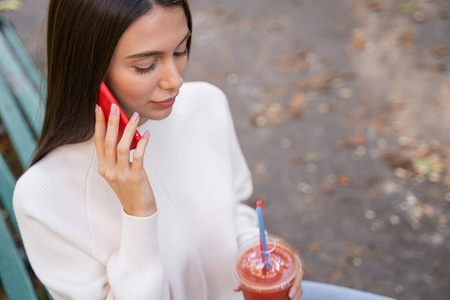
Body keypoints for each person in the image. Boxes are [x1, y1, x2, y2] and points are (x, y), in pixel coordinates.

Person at [12, 0, 395, 299]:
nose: (175, 80)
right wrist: (138, 214)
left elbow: (236, 212)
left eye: (181, 50)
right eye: (146, 65)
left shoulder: (205, 106)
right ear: (89, 69)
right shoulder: (44, 198)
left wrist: (260, 254)